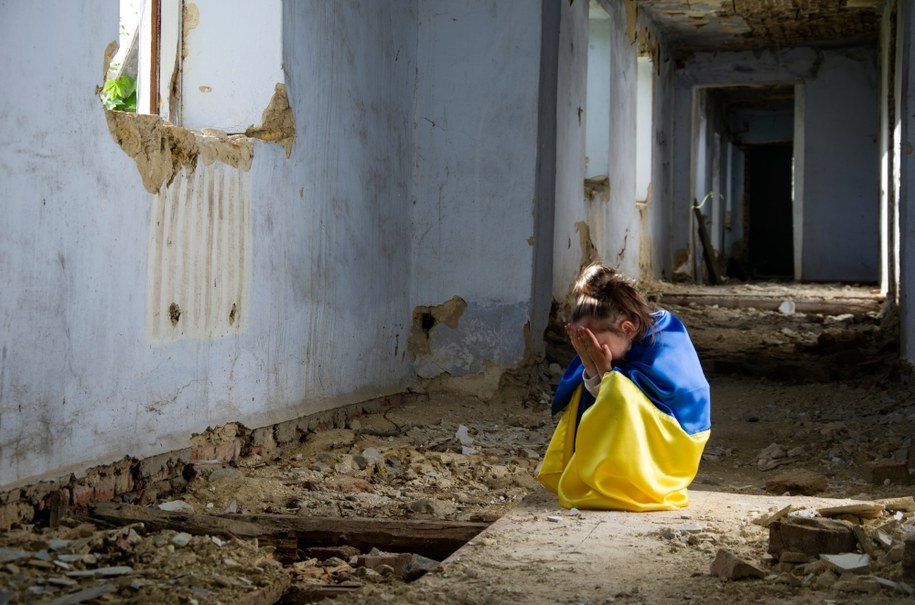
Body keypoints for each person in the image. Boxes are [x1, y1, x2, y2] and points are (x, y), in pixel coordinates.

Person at [537, 263, 711, 511]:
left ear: (626, 328)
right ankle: (599, 473)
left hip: (677, 439)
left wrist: (608, 376)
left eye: (595, 343)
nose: (591, 349)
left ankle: (629, 481)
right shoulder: (620, 342)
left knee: (618, 391)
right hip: (644, 432)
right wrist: (592, 368)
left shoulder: (666, 334)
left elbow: (675, 398)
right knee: (589, 386)